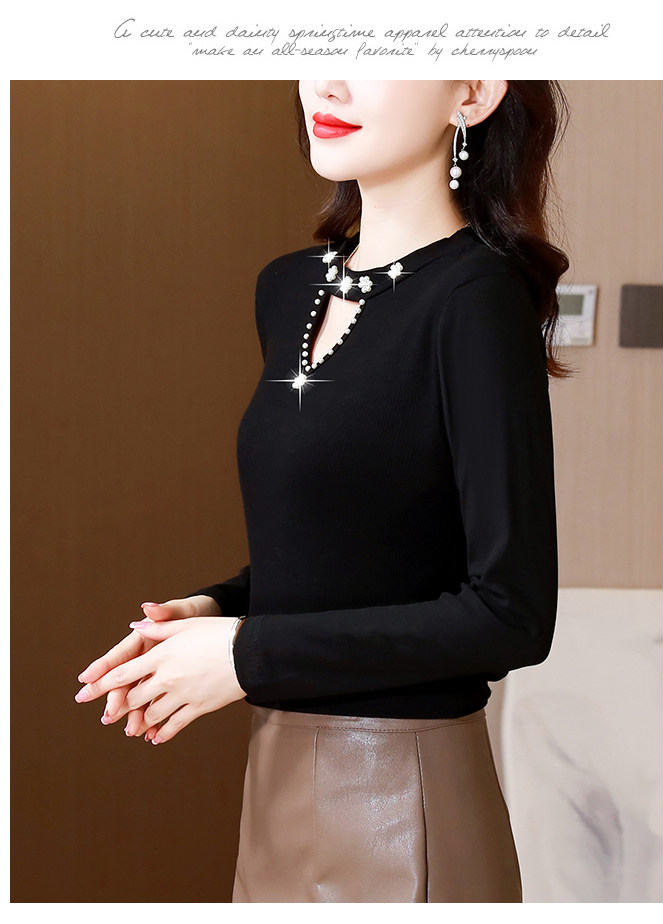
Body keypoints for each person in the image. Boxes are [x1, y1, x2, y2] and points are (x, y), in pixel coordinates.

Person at [75, 79, 571, 902]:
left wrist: (244, 655)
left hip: (401, 793)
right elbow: (363, 547)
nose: (329, 81)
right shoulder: (287, 287)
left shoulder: (477, 299)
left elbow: (509, 614)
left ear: (474, 91)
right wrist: (216, 610)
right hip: (275, 779)